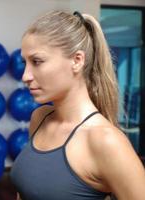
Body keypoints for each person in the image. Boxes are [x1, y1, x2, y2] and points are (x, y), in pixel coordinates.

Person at [10, 10, 145, 200]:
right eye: (25, 63)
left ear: (77, 60)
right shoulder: (40, 118)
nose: (25, 76)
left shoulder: (106, 141)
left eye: (37, 61)